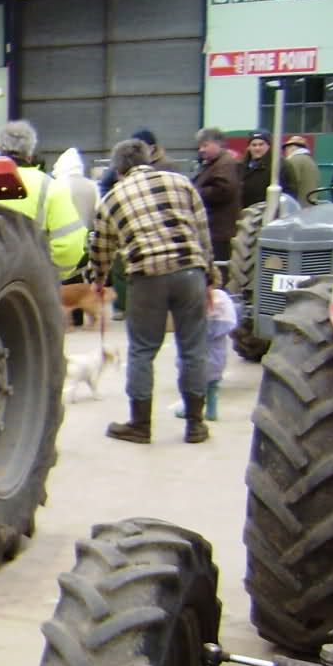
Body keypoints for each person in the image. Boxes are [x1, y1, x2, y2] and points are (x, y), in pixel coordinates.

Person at [88, 137, 217, 445]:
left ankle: (140, 425)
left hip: (147, 277)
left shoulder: (112, 199)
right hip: (190, 272)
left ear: (119, 170)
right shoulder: (181, 182)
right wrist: (210, 278)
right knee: (193, 348)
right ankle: (196, 425)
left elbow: (101, 247)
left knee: (142, 350)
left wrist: (98, 278)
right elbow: (202, 232)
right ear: (148, 158)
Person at [0, 119, 86, 278]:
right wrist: (50, 277)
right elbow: (70, 245)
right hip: (31, 285)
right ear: (30, 152)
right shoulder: (52, 188)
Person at [175, 287, 238, 422]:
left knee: (191, 373)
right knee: (213, 383)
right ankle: (211, 410)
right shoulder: (223, 298)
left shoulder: (195, 295)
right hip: (216, 358)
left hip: (197, 356)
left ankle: (189, 409)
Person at [191, 127, 240, 262]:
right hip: (213, 229)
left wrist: (196, 192)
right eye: (200, 146)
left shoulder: (225, 164)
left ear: (218, 143)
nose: (201, 150)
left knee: (218, 267)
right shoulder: (213, 163)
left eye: (205, 145)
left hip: (220, 230)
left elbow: (224, 190)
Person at [238, 130, 296, 207]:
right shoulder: (242, 166)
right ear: (249, 147)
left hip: (269, 212)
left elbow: (289, 192)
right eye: (254, 145)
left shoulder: (280, 165)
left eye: (261, 144)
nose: (257, 148)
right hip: (246, 213)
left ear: (268, 145)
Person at [281, 135, 320, 200]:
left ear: (292, 148)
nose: (285, 152)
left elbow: (291, 184)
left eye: (286, 148)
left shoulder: (293, 161)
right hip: (310, 204)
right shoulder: (311, 161)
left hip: (298, 205)